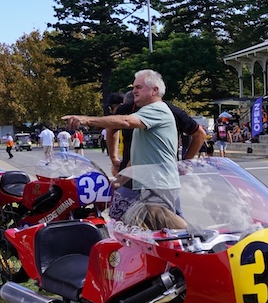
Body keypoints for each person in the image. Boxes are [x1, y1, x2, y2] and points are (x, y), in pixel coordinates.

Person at [65, 69, 184, 227]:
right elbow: (140, 158)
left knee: (166, 235)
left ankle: (206, 247)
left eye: (139, 87)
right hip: (151, 184)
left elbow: (125, 121)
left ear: (155, 90)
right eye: (134, 87)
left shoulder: (157, 110)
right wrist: (120, 180)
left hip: (158, 185)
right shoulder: (147, 114)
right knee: (148, 233)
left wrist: (86, 120)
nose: (134, 90)